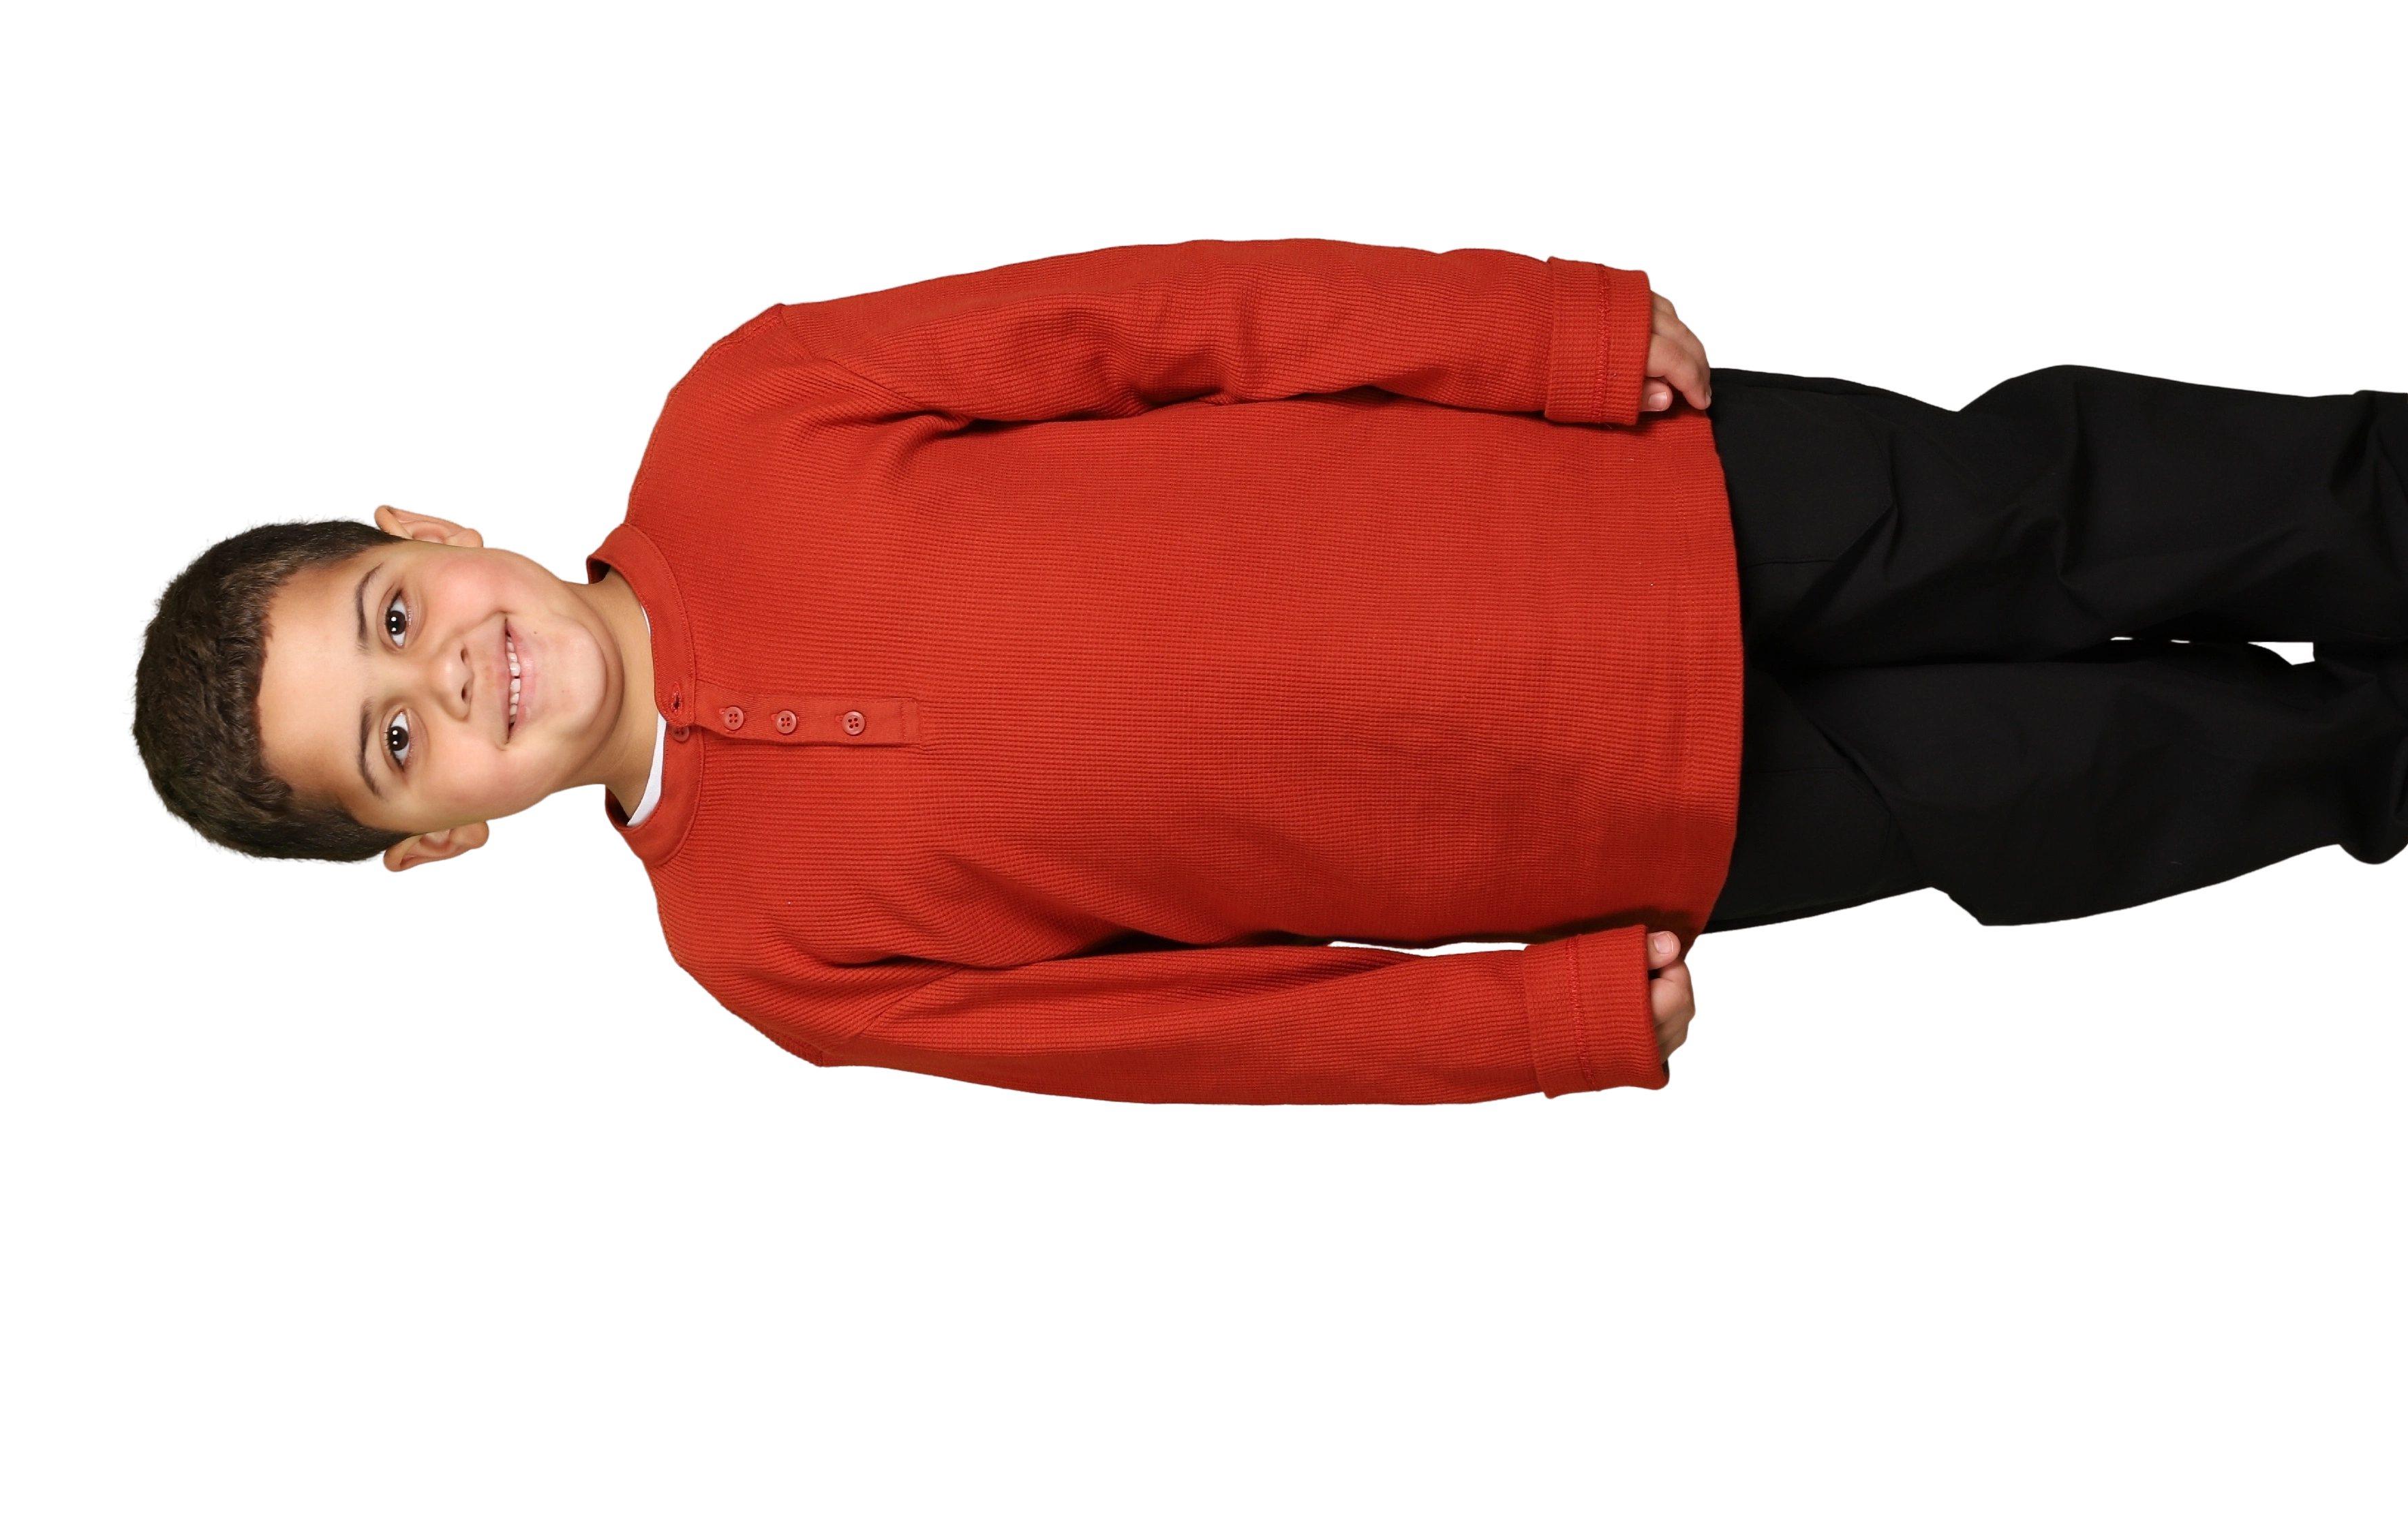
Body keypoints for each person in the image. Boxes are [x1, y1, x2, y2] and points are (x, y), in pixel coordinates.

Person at [122, 233, 2408, 1107]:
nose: (457, 682)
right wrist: (1533, 1025)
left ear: (429, 530)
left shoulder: (749, 411)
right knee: (2089, 783)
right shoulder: (764, 955)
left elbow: (1162, 319)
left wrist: (1542, 331)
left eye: (391, 618)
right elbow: (1183, 1031)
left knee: (2079, 501)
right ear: (432, 846)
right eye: (393, 747)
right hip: (1632, 821)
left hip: (1630, 502)